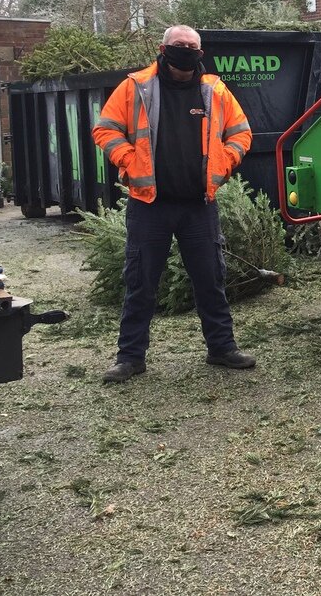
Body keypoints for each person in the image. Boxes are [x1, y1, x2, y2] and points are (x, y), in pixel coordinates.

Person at [93, 25, 256, 383]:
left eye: (191, 46)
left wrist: (223, 163)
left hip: (199, 206)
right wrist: (129, 161)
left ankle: (222, 348)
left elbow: (242, 133)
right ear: (162, 49)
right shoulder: (136, 86)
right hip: (150, 205)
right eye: (178, 45)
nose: (185, 50)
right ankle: (130, 357)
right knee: (140, 283)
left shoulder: (214, 90)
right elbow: (105, 129)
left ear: (200, 52)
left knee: (210, 279)